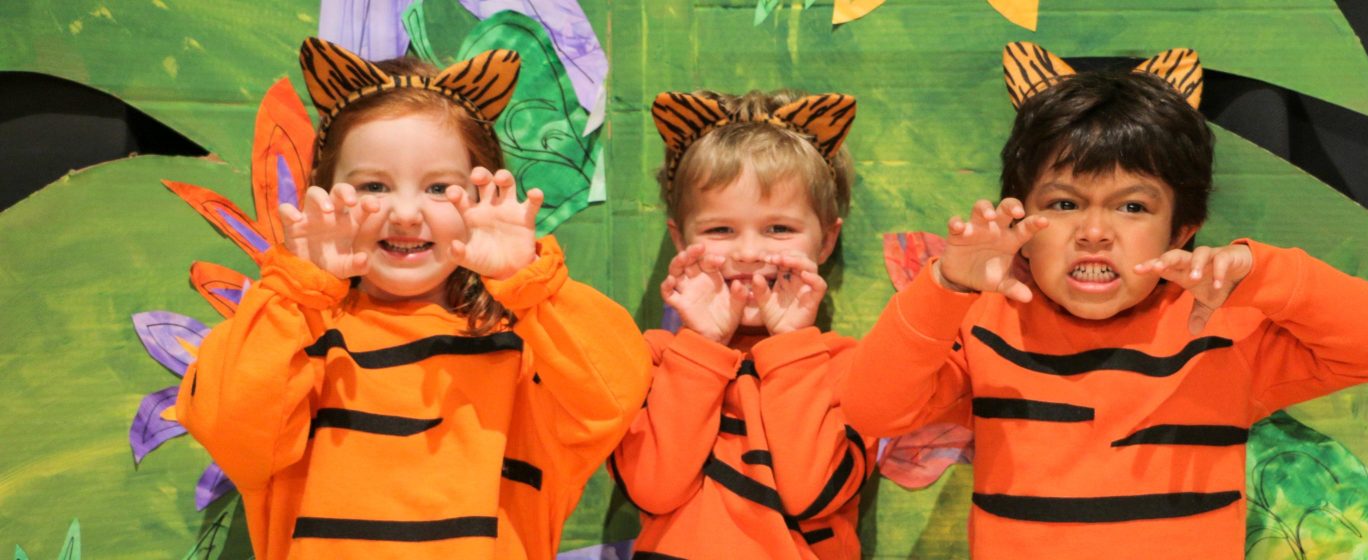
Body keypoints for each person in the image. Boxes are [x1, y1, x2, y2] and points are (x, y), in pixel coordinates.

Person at [839, 42, 1368, 558]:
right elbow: (871, 408)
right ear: (1021, 216)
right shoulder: (991, 326)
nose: (1094, 231)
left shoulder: (1219, 331)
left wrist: (1260, 272)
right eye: (1064, 204)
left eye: (1132, 207)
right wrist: (947, 286)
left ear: (1183, 227)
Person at [176, 37, 650, 559]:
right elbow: (233, 435)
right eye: (374, 187)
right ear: (323, 192)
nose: (405, 213)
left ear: (481, 195)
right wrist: (295, 290)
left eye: (438, 187)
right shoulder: (293, 338)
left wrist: (530, 283)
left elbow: (615, 395)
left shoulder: (528, 350)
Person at [610, 89, 875, 559]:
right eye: (720, 230)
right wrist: (701, 348)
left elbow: (811, 494)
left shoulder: (847, 369)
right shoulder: (651, 360)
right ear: (679, 238)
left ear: (826, 241)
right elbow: (651, 488)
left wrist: (792, 346)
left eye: (779, 229)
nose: (748, 253)